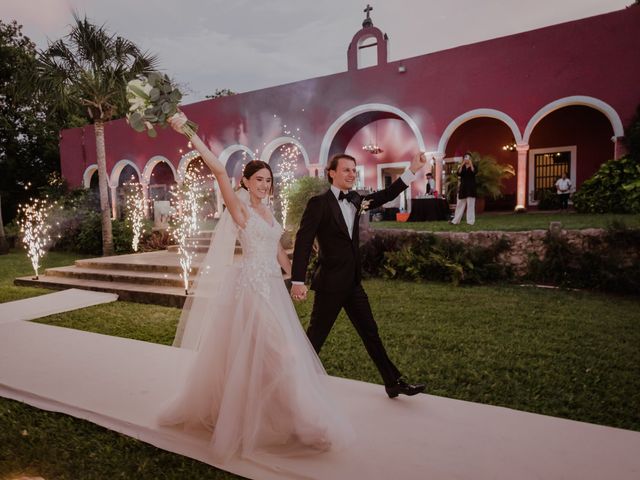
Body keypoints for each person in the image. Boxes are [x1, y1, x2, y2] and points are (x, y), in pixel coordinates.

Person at [158, 112, 353, 465]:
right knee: (285, 354)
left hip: (272, 289)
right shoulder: (240, 209)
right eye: (259, 179)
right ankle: (300, 423)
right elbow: (218, 170)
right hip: (250, 290)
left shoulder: (268, 209)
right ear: (245, 182)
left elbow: (276, 248)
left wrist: (295, 277)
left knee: (268, 359)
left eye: (269, 180)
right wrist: (187, 130)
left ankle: (284, 419)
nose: (265, 185)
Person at [290, 153, 427, 399]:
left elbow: (387, 194)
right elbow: (303, 242)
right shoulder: (318, 203)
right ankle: (291, 385)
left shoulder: (356, 200)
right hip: (330, 285)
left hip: (353, 284)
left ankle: (393, 382)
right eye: (346, 170)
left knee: (370, 333)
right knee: (315, 339)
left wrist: (412, 169)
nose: (352, 174)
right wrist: (298, 280)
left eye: (354, 170)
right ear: (331, 173)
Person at [450, 152, 477, 225]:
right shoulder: (462, 166)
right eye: (465, 157)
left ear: (470, 159)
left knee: (470, 205)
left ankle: (470, 222)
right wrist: (462, 164)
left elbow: (474, 172)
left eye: (468, 157)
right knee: (459, 205)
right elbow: (458, 173)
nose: (466, 159)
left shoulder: (474, 166)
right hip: (463, 188)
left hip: (471, 188)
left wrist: (470, 163)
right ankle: (455, 221)